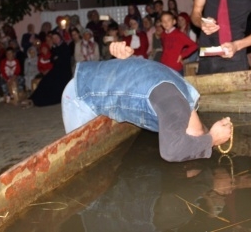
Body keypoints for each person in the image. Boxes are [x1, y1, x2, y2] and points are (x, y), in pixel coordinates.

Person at [61, 42, 233, 162]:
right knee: (82, 161)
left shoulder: (183, 94)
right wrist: (211, 140)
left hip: (96, 80)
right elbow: (171, 151)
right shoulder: (176, 107)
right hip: (80, 95)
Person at [30, 31, 73, 107]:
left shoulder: (65, 46)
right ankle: (34, 99)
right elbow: (52, 59)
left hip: (64, 71)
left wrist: (56, 59)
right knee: (44, 80)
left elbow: (62, 60)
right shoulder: (55, 48)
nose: (55, 39)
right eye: (53, 38)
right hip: (56, 70)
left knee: (51, 81)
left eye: (56, 37)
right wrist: (56, 59)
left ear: (60, 37)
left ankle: (39, 100)